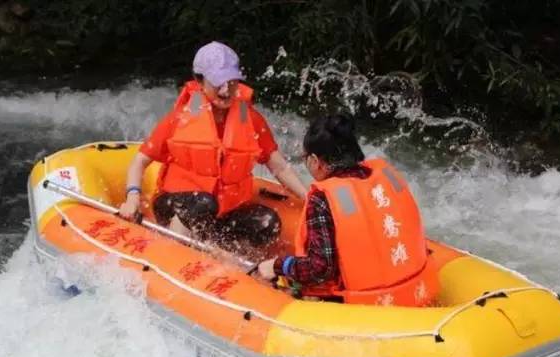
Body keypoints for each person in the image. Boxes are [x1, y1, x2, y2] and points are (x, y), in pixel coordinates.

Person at [119, 41, 307, 247]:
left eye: (232, 82)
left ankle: (225, 257)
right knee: (203, 203)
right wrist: (133, 197)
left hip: (223, 212)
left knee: (267, 222)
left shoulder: (250, 119)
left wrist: (310, 199)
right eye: (219, 82)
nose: (226, 90)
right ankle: (173, 247)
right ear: (199, 81)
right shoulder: (179, 118)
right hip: (179, 205)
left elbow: (279, 167)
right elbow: (139, 161)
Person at [258, 114, 439, 306]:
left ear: (314, 160)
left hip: (361, 305)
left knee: (265, 278)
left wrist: (277, 265)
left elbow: (320, 269)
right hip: (417, 289)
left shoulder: (322, 199)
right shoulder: (385, 177)